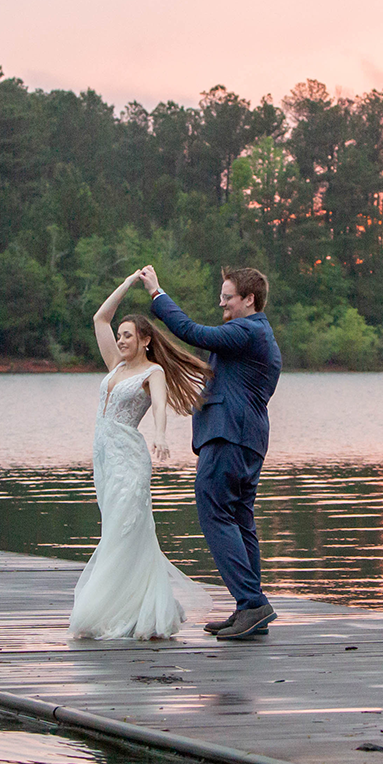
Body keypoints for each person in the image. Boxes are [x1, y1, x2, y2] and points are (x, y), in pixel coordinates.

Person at [69, 271, 214, 640]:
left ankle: (115, 608)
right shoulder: (115, 366)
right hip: (104, 458)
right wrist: (129, 283)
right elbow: (100, 318)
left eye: (128, 335)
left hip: (129, 460)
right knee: (117, 529)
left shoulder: (153, 371)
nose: (120, 340)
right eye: (120, 336)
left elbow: (161, 405)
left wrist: (162, 434)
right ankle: (133, 604)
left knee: (125, 529)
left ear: (145, 340)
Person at [139, 264, 281, 641]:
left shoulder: (247, 331)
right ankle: (248, 608)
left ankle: (251, 603)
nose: (221, 302)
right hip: (246, 439)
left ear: (249, 299)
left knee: (214, 510)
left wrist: (157, 294)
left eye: (227, 297)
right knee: (239, 518)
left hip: (229, 437)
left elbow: (191, 332)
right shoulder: (255, 335)